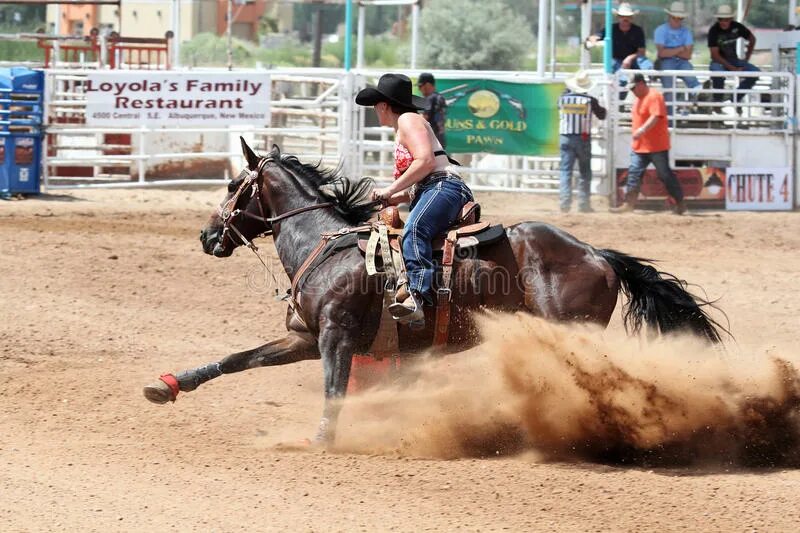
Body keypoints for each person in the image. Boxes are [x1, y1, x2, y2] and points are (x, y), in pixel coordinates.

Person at [356, 73, 473, 325]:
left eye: (377, 104)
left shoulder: (408, 119)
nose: (375, 110)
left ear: (385, 105)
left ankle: (415, 295)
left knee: (415, 229)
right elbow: (415, 184)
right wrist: (392, 198)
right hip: (432, 189)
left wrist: (388, 191)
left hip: (444, 186)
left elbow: (426, 161)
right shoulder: (402, 128)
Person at [612, 74, 687, 214]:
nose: (632, 91)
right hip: (641, 145)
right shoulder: (640, 99)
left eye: (634, 88)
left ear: (641, 83)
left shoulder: (654, 96)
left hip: (656, 146)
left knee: (665, 175)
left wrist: (642, 129)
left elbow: (655, 117)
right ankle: (629, 204)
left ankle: (680, 202)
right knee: (634, 173)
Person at [558, 70, 607, 213]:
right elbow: (602, 114)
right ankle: (583, 204)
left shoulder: (562, 99)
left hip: (566, 137)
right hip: (583, 138)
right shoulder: (590, 100)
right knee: (584, 172)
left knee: (566, 171)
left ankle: (565, 203)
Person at [585, 2, 654, 90]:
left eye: (628, 17)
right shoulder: (610, 29)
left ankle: (647, 89)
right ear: (618, 17)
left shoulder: (637, 30)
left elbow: (641, 52)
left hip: (634, 60)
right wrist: (593, 40)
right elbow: (595, 36)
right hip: (616, 60)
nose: (625, 19)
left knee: (648, 67)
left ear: (632, 18)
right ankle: (621, 98)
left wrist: (629, 58)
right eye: (622, 16)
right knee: (621, 80)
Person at [653, 1, 702, 119]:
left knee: (694, 83)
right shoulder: (661, 30)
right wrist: (681, 48)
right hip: (667, 62)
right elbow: (662, 53)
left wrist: (670, 51)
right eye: (675, 18)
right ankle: (669, 118)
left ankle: (695, 105)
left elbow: (688, 55)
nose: (677, 20)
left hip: (680, 62)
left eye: (680, 18)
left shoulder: (685, 31)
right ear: (670, 17)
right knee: (669, 88)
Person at [707, 5, 760, 111]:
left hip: (732, 60)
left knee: (755, 73)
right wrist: (733, 68)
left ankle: (735, 97)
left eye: (726, 19)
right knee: (717, 73)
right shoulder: (714, 30)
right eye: (720, 19)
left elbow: (752, 39)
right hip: (719, 60)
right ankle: (718, 102)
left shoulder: (737, 27)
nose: (723, 22)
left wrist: (746, 58)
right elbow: (715, 55)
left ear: (730, 19)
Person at [417, 72, 448, 148]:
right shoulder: (439, 97)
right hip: (439, 137)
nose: (419, 89)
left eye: (420, 86)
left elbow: (424, 118)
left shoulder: (430, 99)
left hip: (429, 139)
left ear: (427, 85)